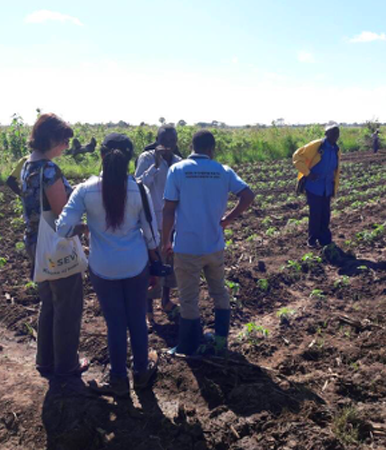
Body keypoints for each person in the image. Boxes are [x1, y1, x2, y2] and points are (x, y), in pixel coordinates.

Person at [56, 133, 159, 396]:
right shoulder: (140, 190)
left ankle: (118, 379)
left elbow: (63, 227)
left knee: (115, 324)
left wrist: (88, 226)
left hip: (102, 268)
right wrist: (155, 265)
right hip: (136, 265)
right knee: (137, 319)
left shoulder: (84, 190)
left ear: (101, 155)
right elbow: (151, 235)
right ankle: (142, 372)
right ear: (129, 159)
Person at [162, 130, 255, 355]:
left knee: (188, 297)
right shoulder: (223, 171)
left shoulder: (178, 170)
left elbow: (169, 210)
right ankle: (221, 340)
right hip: (214, 245)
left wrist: (165, 240)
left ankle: (188, 345)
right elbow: (248, 195)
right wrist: (229, 219)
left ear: (192, 147)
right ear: (211, 149)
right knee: (219, 291)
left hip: (186, 247)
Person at [20, 113, 88, 382]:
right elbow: (62, 216)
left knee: (48, 302)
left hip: (34, 241)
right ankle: (67, 364)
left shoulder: (28, 165)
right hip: (54, 245)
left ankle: (45, 360)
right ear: (52, 139)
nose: (65, 147)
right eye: (63, 141)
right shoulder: (50, 170)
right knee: (68, 304)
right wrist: (84, 227)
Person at [135, 125, 182, 322]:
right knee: (153, 264)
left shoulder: (180, 162)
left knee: (170, 264)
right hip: (153, 220)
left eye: (172, 140)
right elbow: (139, 184)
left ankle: (165, 300)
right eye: (165, 140)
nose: (169, 144)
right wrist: (155, 164)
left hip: (173, 221)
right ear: (157, 140)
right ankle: (148, 309)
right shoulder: (146, 157)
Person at [292, 123, 342, 248]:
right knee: (315, 214)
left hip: (327, 187)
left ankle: (324, 240)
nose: (335, 135)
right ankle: (312, 240)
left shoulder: (336, 149)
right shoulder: (317, 145)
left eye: (337, 133)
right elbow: (297, 156)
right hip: (314, 187)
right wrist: (308, 173)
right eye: (333, 132)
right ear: (326, 133)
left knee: (325, 214)